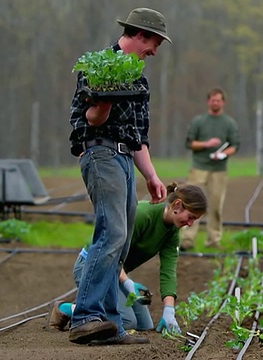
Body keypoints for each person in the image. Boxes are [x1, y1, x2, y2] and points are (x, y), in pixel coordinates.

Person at [66, 8, 170, 345]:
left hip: (125, 158)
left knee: (121, 242)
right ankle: (85, 317)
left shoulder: (139, 79)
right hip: (100, 152)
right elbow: (93, 119)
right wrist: (106, 96)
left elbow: (138, 137)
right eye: (154, 42)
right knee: (111, 233)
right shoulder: (98, 66)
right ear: (140, 34)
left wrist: (152, 177)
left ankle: (109, 324)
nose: (154, 50)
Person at [49, 183, 207, 337]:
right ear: (178, 205)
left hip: (115, 273)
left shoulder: (171, 233)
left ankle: (94, 305)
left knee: (144, 325)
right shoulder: (143, 214)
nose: (191, 224)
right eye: (191, 217)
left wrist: (169, 311)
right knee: (126, 321)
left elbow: (168, 272)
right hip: (93, 267)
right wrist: (127, 283)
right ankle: (69, 309)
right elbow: (112, 252)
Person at [179, 87, 240, 251]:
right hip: (199, 167)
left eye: (218, 100)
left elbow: (235, 145)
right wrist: (206, 144)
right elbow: (189, 143)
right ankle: (187, 239)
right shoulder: (199, 121)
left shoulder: (229, 123)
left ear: (223, 102)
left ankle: (214, 240)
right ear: (208, 102)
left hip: (219, 170)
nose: (215, 103)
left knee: (216, 206)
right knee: (192, 203)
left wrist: (223, 154)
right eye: (213, 100)